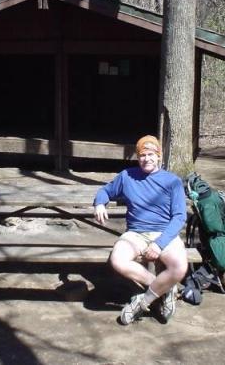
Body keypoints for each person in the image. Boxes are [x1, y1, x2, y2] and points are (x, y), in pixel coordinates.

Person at [93, 135, 188, 325]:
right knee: (117, 260)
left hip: (164, 234)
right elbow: (105, 191)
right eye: (142, 155)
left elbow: (179, 217)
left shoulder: (172, 181)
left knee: (180, 267)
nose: (147, 159)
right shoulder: (127, 176)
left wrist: (159, 244)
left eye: (151, 154)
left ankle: (143, 301)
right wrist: (100, 204)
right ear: (138, 157)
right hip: (135, 233)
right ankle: (166, 288)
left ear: (159, 156)